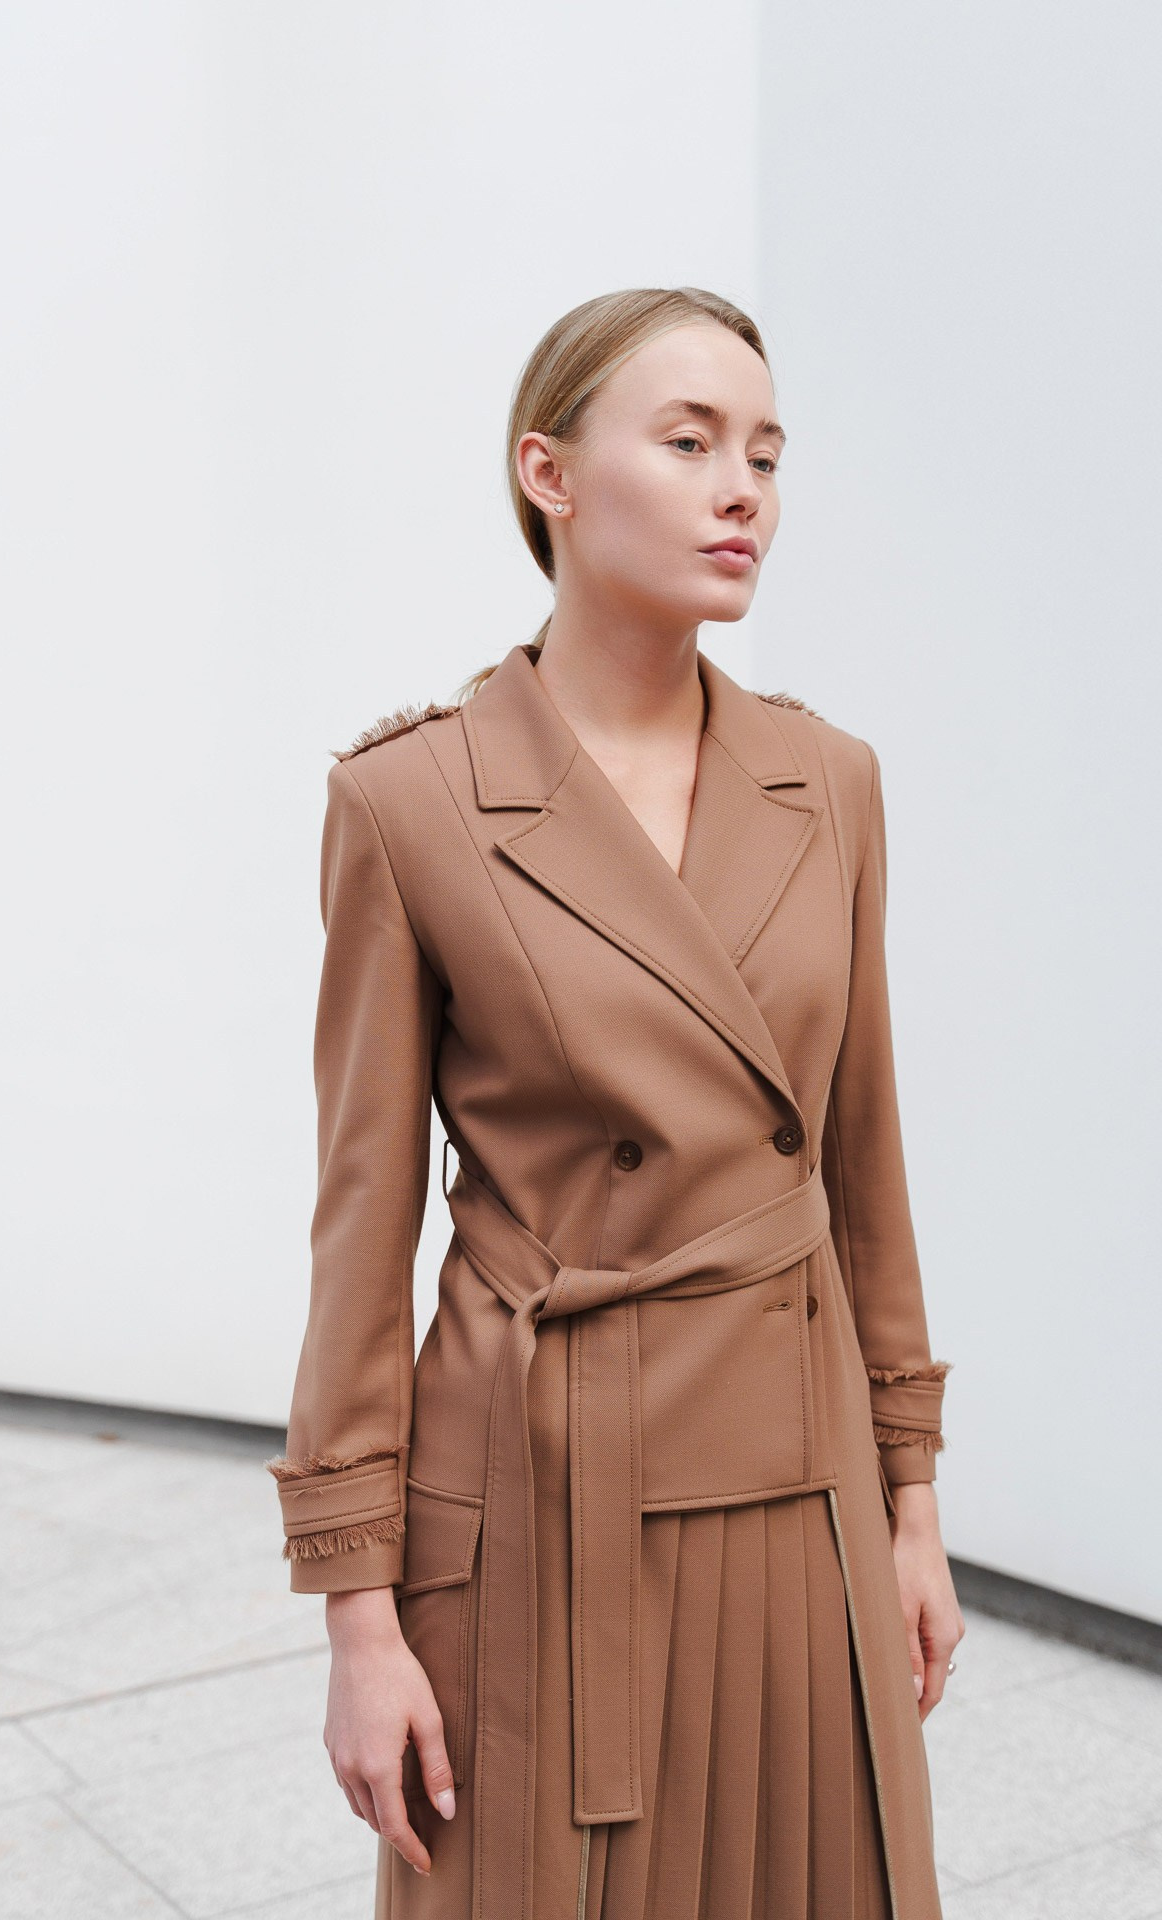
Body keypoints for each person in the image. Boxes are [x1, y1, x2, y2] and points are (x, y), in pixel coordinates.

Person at [266, 286, 966, 1920]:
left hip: (799, 1486)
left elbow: (865, 1175)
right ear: (552, 476)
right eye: (691, 440)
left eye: (769, 455)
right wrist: (359, 1619)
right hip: (539, 1498)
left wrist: (912, 1504)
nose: (746, 492)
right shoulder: (410, 802)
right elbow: (361, 1237)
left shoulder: (830, 781)